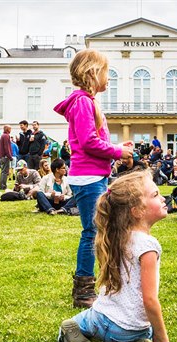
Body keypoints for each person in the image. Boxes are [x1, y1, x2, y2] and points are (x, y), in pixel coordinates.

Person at [58, 171, 175, 342]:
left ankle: (68, 333)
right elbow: (150, 300)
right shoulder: (148, 246)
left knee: (70, 325)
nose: (162, 198)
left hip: (98, 317)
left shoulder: (115, 235)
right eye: (155, 195)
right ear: (137, 211)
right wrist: (162, 338)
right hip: (127, 331)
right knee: (148, 336)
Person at [54, 48, 133, 308]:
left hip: (92, 174)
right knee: (91, 233)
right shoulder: (83, 103)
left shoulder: (87, 102)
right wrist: (118, 151)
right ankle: (83, 290)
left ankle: (98, 283)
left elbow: (93, 140)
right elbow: (88, 142)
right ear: (92, 72)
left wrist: (119, 148)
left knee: (98, 230)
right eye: (107, 72)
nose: (109, 78)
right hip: (88, 177)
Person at [0, 125, 12, 190]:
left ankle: (2, 185)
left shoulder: (3, 136)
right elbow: (7, 147)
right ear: (7, 129)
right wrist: (9, 156)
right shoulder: (6, 136)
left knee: (2, 171)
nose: (11, 130)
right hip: (5, 156)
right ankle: (3, 186)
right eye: (10, 128)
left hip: (1, 156)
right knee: (5, 172)